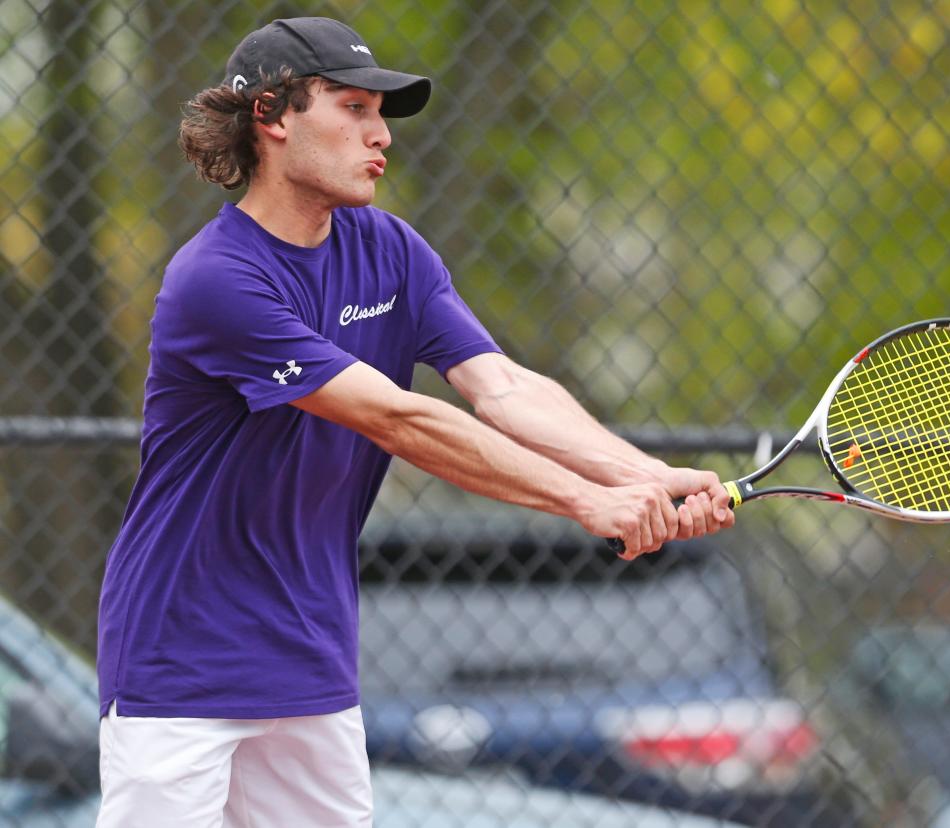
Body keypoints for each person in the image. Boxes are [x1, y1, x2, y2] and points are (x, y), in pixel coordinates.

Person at [95, 16, 734, 828]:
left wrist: (640, 475)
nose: (380, 134)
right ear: (273, 116)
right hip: (179, 662)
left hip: (310, 658)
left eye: (381, 112)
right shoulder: (215, 281)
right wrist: (588, 502)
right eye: (354, 107)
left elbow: (501, 386)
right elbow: (400, 420)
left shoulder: (392, 251)